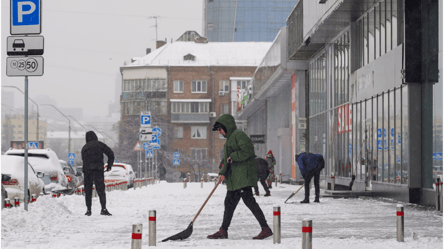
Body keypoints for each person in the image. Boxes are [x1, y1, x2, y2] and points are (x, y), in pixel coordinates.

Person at [207, 114, 272, 240]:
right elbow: (227, 160)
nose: (220, 132)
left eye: (220, 129)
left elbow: (248, 151)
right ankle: (223, 231)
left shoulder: (238, 135)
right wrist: (222, 173)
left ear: (226, 126)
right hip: (234, 180)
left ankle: (266, 229)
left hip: (243, 178)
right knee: (229, 204)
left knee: (250, 202)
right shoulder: (229, 140)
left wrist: (234, 156)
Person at [81, 131, 114, 216]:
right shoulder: (100, 145)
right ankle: (103, 208)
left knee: (88, 191)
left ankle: (88, 210)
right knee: (101, 190)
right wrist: (109, 165)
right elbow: (110, 154)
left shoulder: (84, 148)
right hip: (98, 170)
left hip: (87, 171)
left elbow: (83, 160)